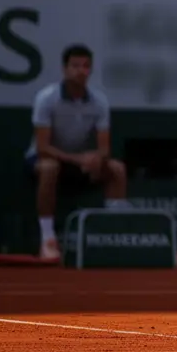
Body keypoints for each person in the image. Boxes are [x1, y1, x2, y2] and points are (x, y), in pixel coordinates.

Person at [25, 44, 127, 262]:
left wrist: (97, 158)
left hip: (82, 163)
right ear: (65, 69)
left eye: (86, 66)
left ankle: (114, 235)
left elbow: (104, 148)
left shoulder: (100, 101)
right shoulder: (46, 98)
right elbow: (42, 147)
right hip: (45, 159)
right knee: (49, 168)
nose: (81, 71)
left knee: (117, 169)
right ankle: (48, 240)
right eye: (75, 66)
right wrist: (77, 158)